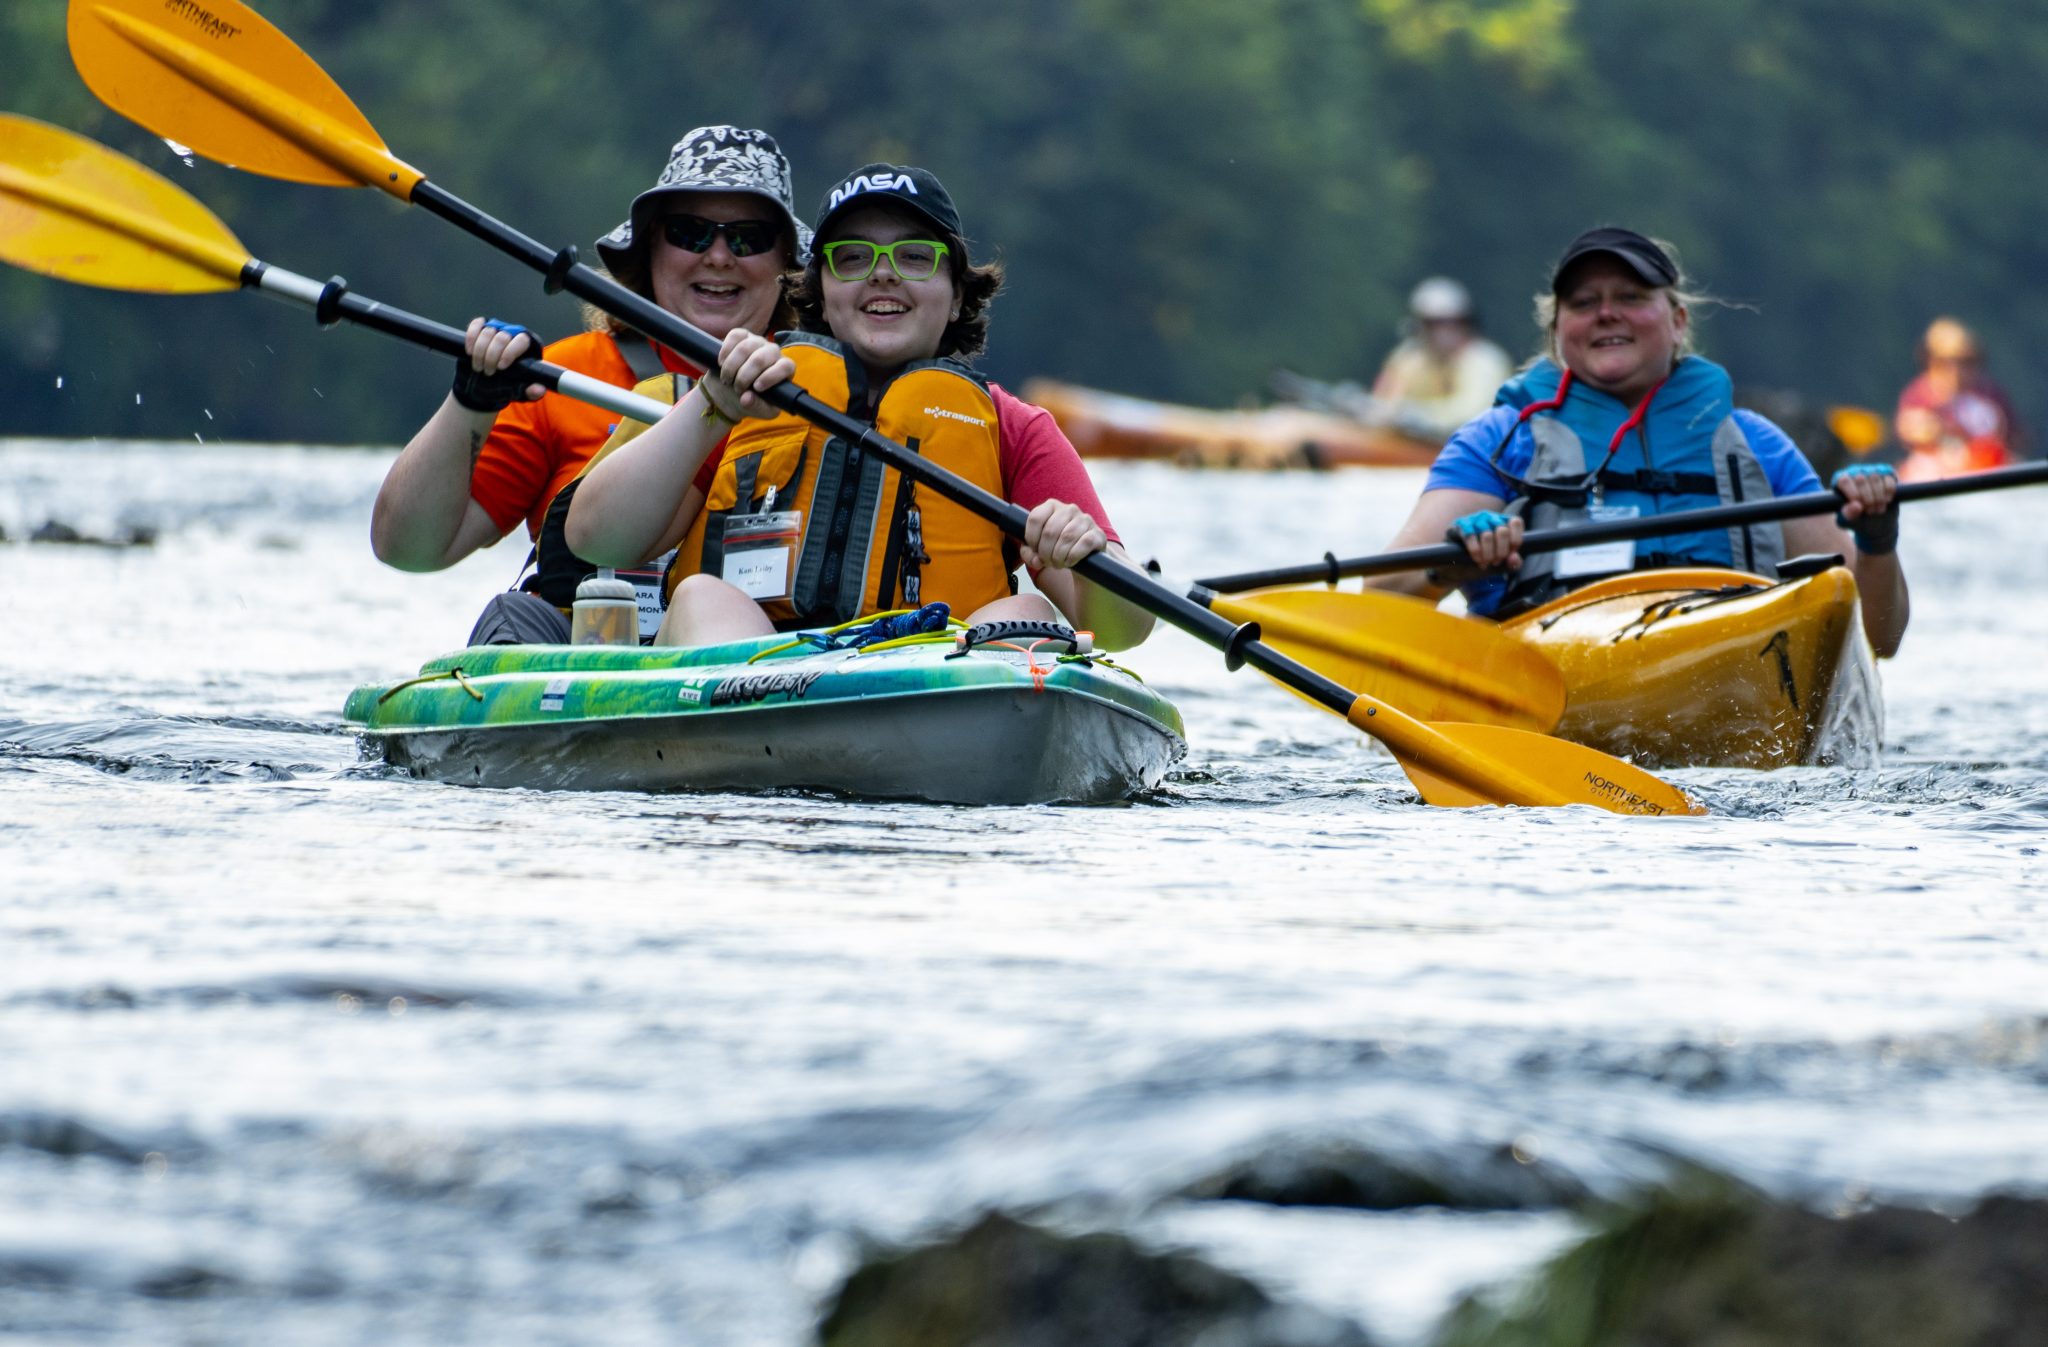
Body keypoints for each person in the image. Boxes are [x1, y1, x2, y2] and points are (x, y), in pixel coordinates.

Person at [565, 163, 1155, 650]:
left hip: (933, 689)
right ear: (818, 288)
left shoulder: (1013, 429)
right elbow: (596, 539)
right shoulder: (739, 390)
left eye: (914, 258)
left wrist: (1087, 553)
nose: (883, 277)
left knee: (1027, 612)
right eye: (853, 258)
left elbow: (1127, 630)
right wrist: (710, 409)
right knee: (702, 595)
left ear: (956, 297)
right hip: (750, 679)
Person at [1368, 227, 1909, 657]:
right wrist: (1451, 568)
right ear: (1559, 330)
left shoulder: (1755, 444)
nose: (1607, 313)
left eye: (1630, 296)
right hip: (1551, 664)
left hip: (1736, 656)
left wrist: (1877, 541)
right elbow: (1383, 597)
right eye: (1584, 302)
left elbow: (1878, 639)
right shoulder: (1501, 441)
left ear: (1677, 321)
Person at [369, 125, 808, 644]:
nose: (717, 256)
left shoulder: (817, 390)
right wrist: (470, 404)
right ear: (650, 250)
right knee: (511, 613)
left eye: (748, 238)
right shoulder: (566, 378)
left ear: (788, 264)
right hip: (583, 676)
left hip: (753, 670)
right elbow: (409, 549)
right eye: (689, 233)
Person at [1359, 277, 1513, 442]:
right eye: (1433, 324)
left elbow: (1475, 413)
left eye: (1454, 323)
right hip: (1413, 446)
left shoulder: (1485, 361)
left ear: (1467, 324)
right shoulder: (1409, 359)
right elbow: (1384, 402)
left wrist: (1416, 415)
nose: (1444, 332)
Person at [1894, 317, 2023, 482]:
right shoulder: (1918, 396)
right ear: (1930, 361)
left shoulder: (1990, 394)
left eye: (1966, 361)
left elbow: (2014, 436)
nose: (1955, 370)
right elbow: (1910, 430)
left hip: (1987, 478)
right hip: (1935, 482)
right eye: (1944, 362)